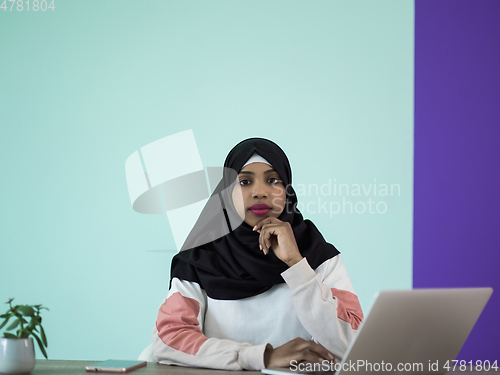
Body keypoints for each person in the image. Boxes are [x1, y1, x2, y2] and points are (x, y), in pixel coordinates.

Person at [152, 138, 363, 370]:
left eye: (273, 180)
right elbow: (168, 340)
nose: (260, 192)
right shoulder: (201, 258)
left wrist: (296, 264)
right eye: (244, 181)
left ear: (287, 192)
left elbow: (353, 344)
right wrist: (262, 357)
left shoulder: (317, 254)